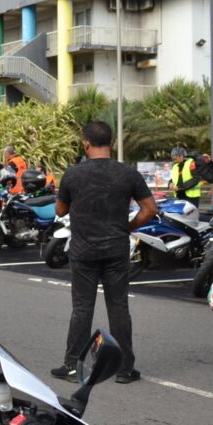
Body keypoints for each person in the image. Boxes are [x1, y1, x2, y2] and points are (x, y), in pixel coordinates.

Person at [53, 121, 158, 384]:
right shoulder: (128, 173)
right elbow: (150, 209)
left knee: (82, 308)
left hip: (83, 250)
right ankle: (124, 369)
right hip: (116, 249)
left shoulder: (73, 174)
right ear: (110, 143)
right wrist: (127, 227)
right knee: (119, 307)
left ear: (86, 143)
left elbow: (60, 210)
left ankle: (72, 366)